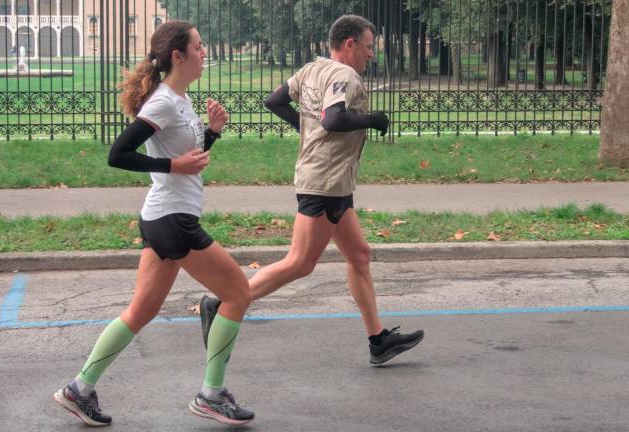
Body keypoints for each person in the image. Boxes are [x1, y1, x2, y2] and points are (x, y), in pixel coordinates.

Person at [53, 20, 254, 427]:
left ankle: (80, 388)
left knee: (139, 312)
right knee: (237, 292)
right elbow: (118, 153)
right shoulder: (163, 101)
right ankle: (211, 394)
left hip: (163, 216)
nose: (204, 53)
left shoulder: (180, 99)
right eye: (198, 47)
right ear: (178, 56)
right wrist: (171, 165)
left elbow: (188, 158)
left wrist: (212, 134)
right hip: (173, 219)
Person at [199, 14, 424, 366]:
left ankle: (378, 340)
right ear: (349, 44)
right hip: (324, 183)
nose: (371, 55)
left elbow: (274, 101)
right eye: (368, 47)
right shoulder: (344, 75)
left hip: (332, 181)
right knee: (300, 263)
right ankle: (225, 301)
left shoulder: (310, 70)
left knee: (359, 256)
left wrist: (308, 130)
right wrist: (372, 120)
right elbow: (334, 120)